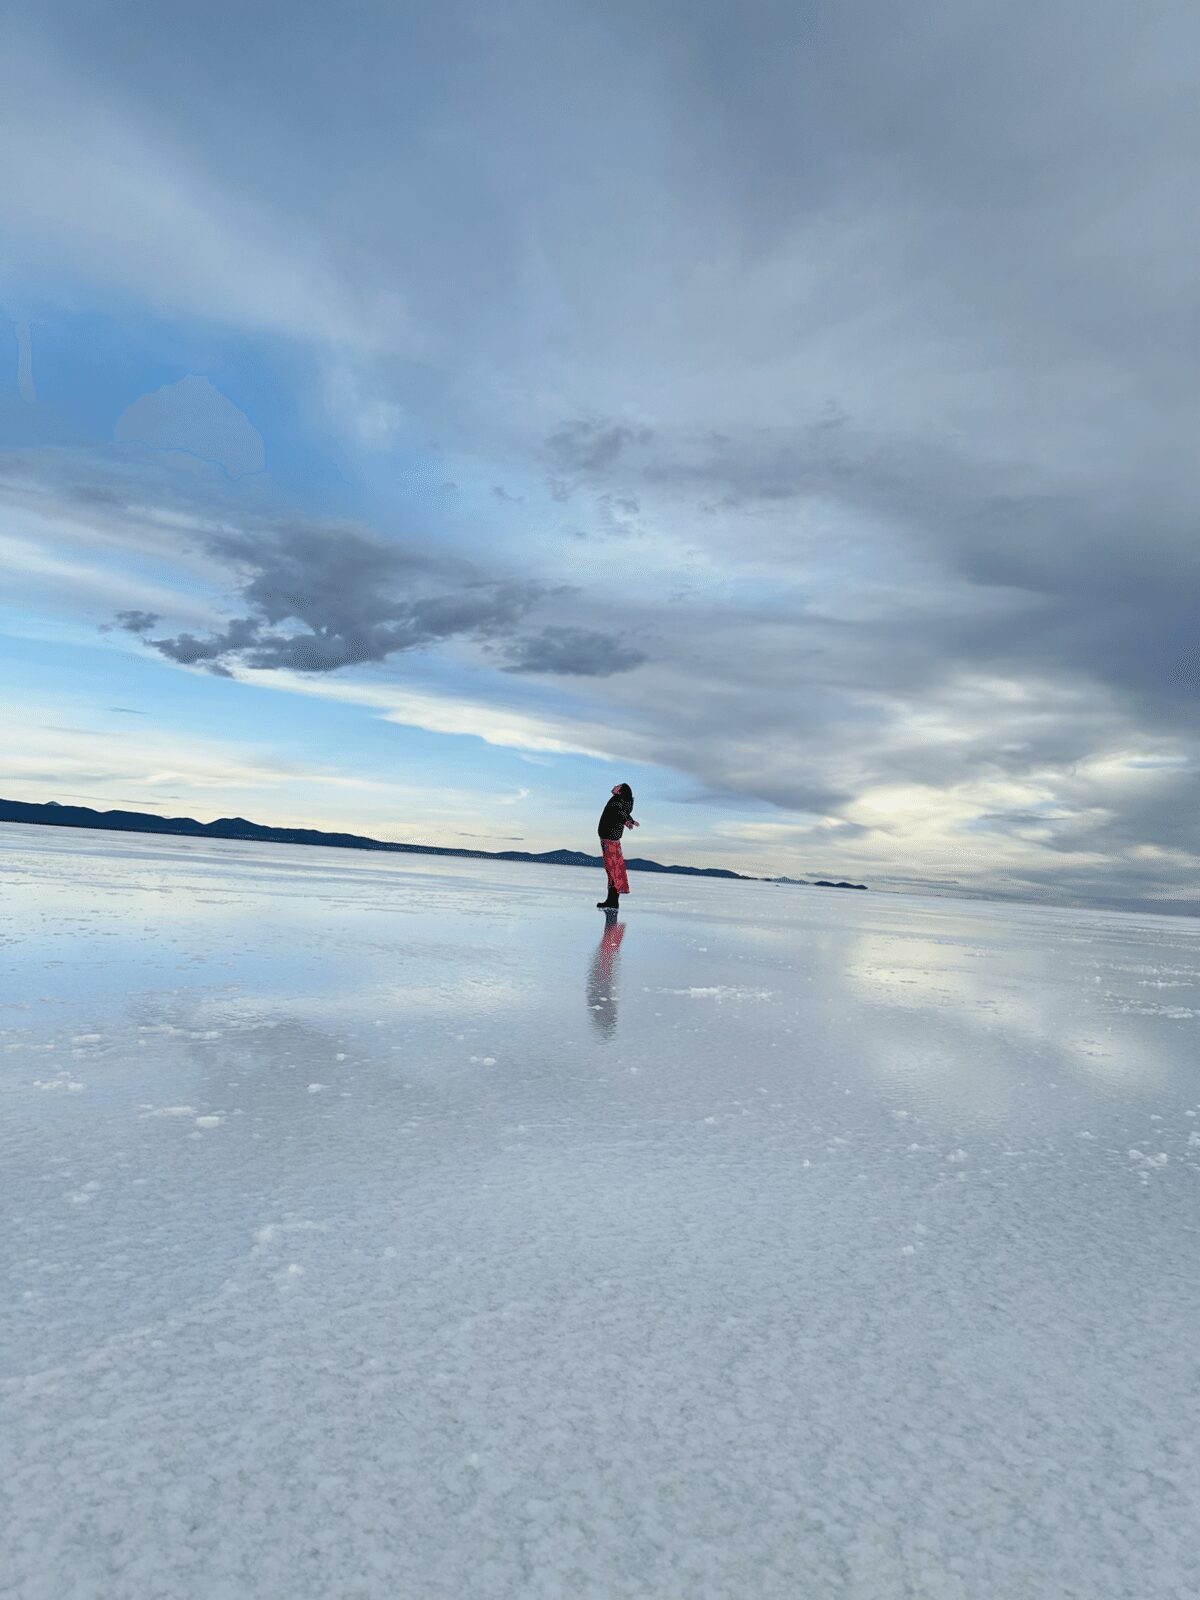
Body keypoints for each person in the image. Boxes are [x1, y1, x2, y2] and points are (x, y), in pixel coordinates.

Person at [596, 782, 638, 909]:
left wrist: (627, 820)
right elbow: (620, 813)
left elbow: (617, 813)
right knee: (615, 869)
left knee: (613, 870)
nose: (614, 786)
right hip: (612, 839)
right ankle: (612, 900)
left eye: (618, 785)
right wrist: (628, 820)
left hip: (610, 839)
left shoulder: (617, 801)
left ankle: (612, 901)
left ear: (620, 791)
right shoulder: (621, 802)